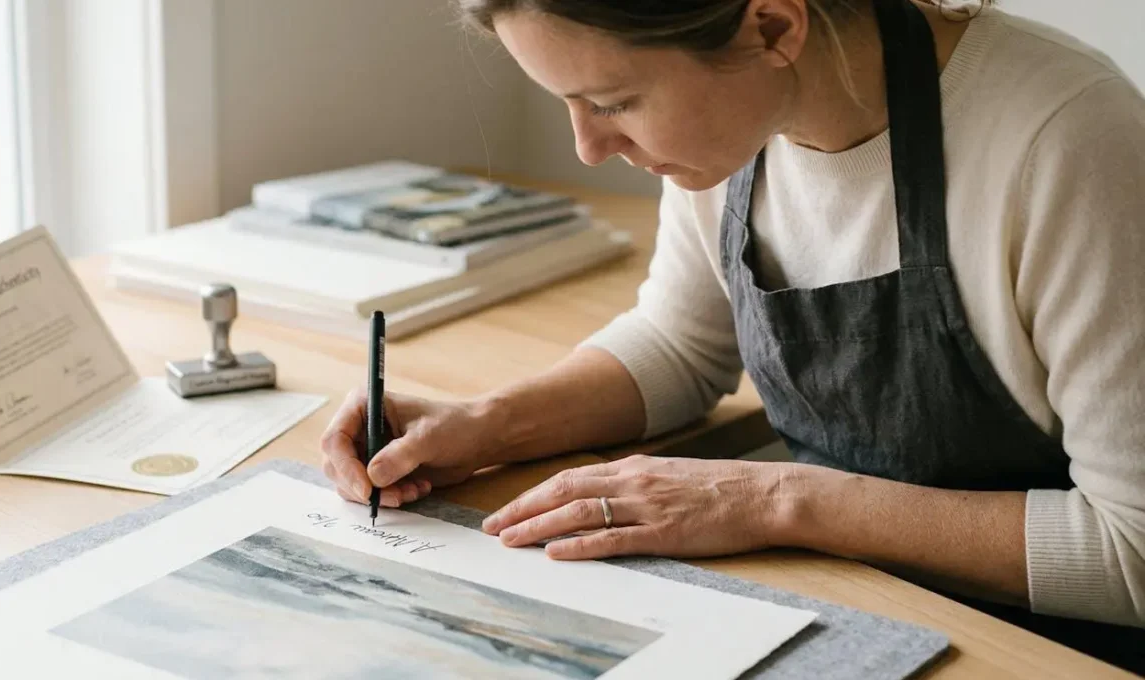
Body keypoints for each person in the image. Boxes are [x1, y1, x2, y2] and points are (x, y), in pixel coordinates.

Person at [320, 0, 1145, 670]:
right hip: (860, 600)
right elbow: (681, 344)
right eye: (566, 104)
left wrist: (774, 499)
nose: (589, 146)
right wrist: (484, 423)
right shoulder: (741, 128)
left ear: (773, 27)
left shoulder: (1068, 140)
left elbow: (1132, 555)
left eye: (612, 101)